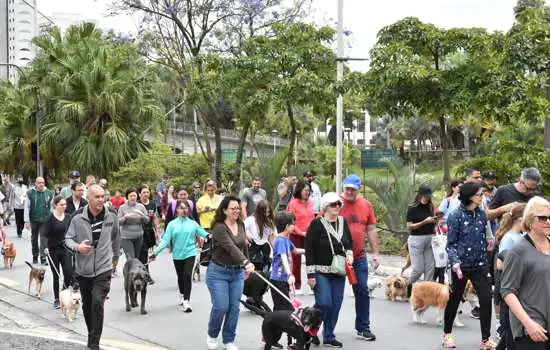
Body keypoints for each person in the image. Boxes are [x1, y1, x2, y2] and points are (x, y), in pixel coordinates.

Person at [64, 185, 121, 350]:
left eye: (103, 196)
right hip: (83, 270)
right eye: (97, 197)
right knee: (88, 305)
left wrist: (115, 258)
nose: (101, 200)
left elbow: (116, 237)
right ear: (88, 198)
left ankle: (94, 343)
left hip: (104, 268)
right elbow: (68, 239)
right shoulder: (76, 218)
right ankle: (92, 335)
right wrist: (78, 247)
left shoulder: (111, 215)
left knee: (97, 301)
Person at [442, 183, 496, 349]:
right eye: (480, 194)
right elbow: (450, 244)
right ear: (471, 196)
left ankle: (485, 340)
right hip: (461, 266)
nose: (483, 197)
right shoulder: (455, 216)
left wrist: (490, 240)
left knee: (486, 300)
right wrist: (455, 262)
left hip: (480, 264)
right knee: (455, 299)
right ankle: (447, 335)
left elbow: (486, 233)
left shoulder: (481, 214)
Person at [501, 196, 550, 350]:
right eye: (542, 218)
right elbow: (507, 291)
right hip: (531, 326)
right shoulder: (518, 249)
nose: (548, 221)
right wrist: (528, 324)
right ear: (529, 220)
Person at [206, 196, 255, 350]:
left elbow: (242, 246)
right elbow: (230, 247)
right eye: (233, 208)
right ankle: (212, 335)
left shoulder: (240, 224)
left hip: (237, 273)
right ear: (224, 210)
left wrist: (246, 263)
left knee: (234, 308)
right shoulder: (219, 227)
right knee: (221, 306)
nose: (236, 211)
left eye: (238, 208)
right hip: (218, 272)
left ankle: (229, 340)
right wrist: (245, 262)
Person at [306, 192, 353, 348]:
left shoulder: (343, 222)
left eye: (339, 204)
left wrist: (350, 255)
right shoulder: (316, 224)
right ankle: (309, 323)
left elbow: (348, 242)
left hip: (339, 271)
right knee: (324, 302)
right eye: (334, 204)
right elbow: (309, 250)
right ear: (325, 207)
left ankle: (328, 336)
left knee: (336, 305)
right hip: (320, 271)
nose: (337, 207)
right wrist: (311, 274)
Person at [339, 174, 379, 341]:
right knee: (333, 295)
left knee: (362, 290)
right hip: (338, 257)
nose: (349, 191)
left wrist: (376, 253)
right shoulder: (335, 203)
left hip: (359, 256)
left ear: (358, 189)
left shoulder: (366, 205)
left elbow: (371, 229)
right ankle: (322, 328)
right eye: (347, 188)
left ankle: (363, 327)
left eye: (352, 189)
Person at [151, 199, 208, 312]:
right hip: (177, 255)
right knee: (181, 276)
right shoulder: (172, 225)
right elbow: (165, 240)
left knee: (187, 275)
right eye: (181, 208)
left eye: (186, 208)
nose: (184, 210)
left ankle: (186, 301)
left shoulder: (193, 223)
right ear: (176, 210)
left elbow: (204, 233)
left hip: (190, 253)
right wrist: (155, 252)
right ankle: (182, 294)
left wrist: (213, 236)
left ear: (189, 210)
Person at [494, 203, 526, 350]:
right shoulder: (509, 238)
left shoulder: (521, 236)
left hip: (519, 284)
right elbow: (501, 264)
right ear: (521, 219)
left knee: (511, 330)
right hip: (508, 283)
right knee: (509, 327)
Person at [42, 196, 73, 309]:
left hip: (65, 248)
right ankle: (56, 299)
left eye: (65, 204)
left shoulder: (68, 217)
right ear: (55, 205)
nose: (64, 207)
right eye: (61, 205)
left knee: (68, 272)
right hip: (53, 250)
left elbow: (72, 232)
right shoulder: (50, 218)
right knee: (56, 275)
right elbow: (44, 235)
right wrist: (45, 247)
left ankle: (63, 294)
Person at [405, 185, 436, 296]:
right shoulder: (412, 208)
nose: (427, 198)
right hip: (416, 239)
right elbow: (409, 226)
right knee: (418, 269)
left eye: (429, 196)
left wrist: (435, 221)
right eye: (425, 195)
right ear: (420, 195)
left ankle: (425, 293)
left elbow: (433, 223)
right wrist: (424, 222)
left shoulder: (431, 207)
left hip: (430, 238)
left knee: (430, 269)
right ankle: (407, 283)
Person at [270, 211, 304, 311]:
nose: (294, 227)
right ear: (286, 226)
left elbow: (295, 251)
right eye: (293, 224)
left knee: (279, 308)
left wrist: (310, 251)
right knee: (287, 309)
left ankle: (274, 325)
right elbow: (283, 257)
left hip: (283, 280)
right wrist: (290, 274)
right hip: (278, 279)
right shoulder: (280, 240)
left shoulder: (286, 239)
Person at [286, 179, 314, 295]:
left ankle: (313, 284)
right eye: (305, 190)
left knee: (312, 260)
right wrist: (301, 232)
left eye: (308, 190)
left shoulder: (311, 202)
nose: (307, 192)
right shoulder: (293, 203)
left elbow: (313, 217)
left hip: (310, 236)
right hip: (296, 236)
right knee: (296, 262)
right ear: (299, 190)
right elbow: (290, 221)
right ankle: (296, 286)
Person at [24, 177, 54, 265]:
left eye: (42, 182)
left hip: (45, 219)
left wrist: (53, 219)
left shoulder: (49, 193)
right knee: (34, 239)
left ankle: (43, 257)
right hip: (34, 219)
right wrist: (26, 221)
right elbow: (27, 207)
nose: (41, 184)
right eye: (39, 182)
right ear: (35, 184)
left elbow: (52, 207)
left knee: (44, 239)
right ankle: (35, 255)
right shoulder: (30, 193)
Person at [244, 200, 276, 272]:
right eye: (265, 212)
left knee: (264, 270)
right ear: (259, 211)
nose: (267, 214)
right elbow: (241, 229)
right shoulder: (251, 220)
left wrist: (276, 250)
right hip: (253, 248)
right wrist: (246, 237)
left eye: (268, 212)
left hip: (265, 249)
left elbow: (271, 238)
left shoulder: (269, 222)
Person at [117, 188, 149, 259]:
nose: (133, 198)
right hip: (126, 238)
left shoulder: (141, 206)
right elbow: (118, 222)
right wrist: (125, 217)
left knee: (136, 258)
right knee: (130, 259)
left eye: (134, 196)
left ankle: (133, 270)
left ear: (137, 196)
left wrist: (142, 216)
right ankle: (129, 270)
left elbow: (147, 221)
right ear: (127, 197)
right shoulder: (122, 208)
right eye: (131, 196)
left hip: (139, 236)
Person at [138, 186, 159, 284]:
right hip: (139, 232)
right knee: (143, 254)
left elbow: (154, 217)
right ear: (140, 194)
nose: (146, 194)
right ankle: (145, 276)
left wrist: (157, 232)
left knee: (145, 255)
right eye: (144, 192)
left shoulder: (152, 204)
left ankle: (142, 275)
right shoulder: (137, 204)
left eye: (147, 192)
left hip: (149, 232)